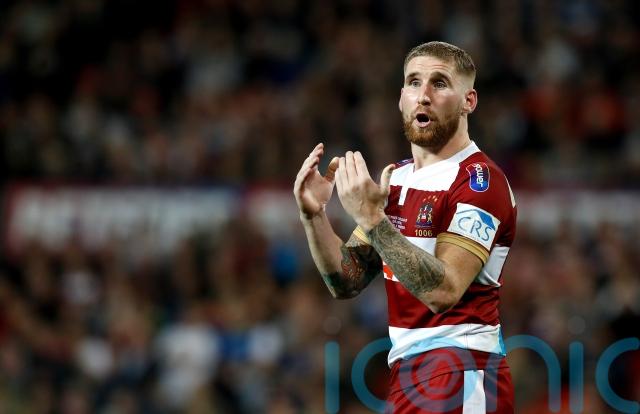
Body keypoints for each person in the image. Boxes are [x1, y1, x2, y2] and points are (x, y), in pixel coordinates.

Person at [293, 41, 516, 413]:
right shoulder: (396, 179)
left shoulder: (481, 182)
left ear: (469, 101)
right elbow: (346, 280)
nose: (423, 95)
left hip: (462, 372)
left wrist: (373, 220)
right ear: (401, 98)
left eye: (440, 83)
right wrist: (314, 216)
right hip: (407, 375)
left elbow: (444, 291)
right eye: (414, 82)